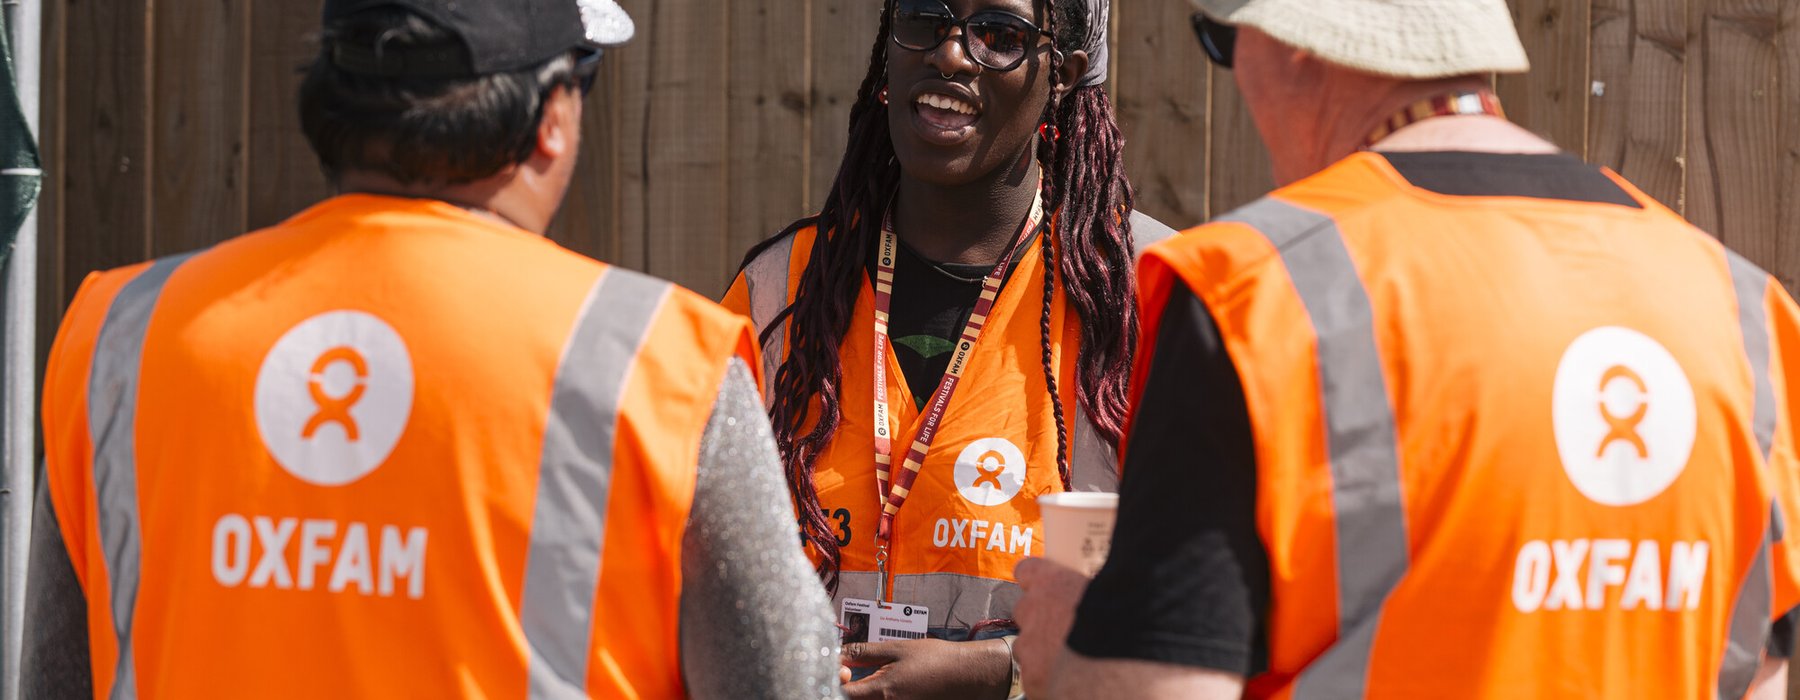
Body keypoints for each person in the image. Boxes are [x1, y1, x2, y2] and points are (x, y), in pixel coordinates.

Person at [21, 1, 839, 697]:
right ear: (552, 118)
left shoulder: (119, 333)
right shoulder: (659, 364)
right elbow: (784, 677)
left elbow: (55, 676)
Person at [1013, 0, 1800, 697]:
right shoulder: (1746, 311)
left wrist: (1064, 662)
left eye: (1221, 41)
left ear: (1295, 44)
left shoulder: (1255, 293)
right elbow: (1759, 676)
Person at [721, 0, 1174, 695]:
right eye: (927, 19)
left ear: (1063, 76)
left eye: (999, 35)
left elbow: (1209, 598)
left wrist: (1001, 672)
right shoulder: (781, 289)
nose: (952, 55)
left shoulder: (1141, 292)